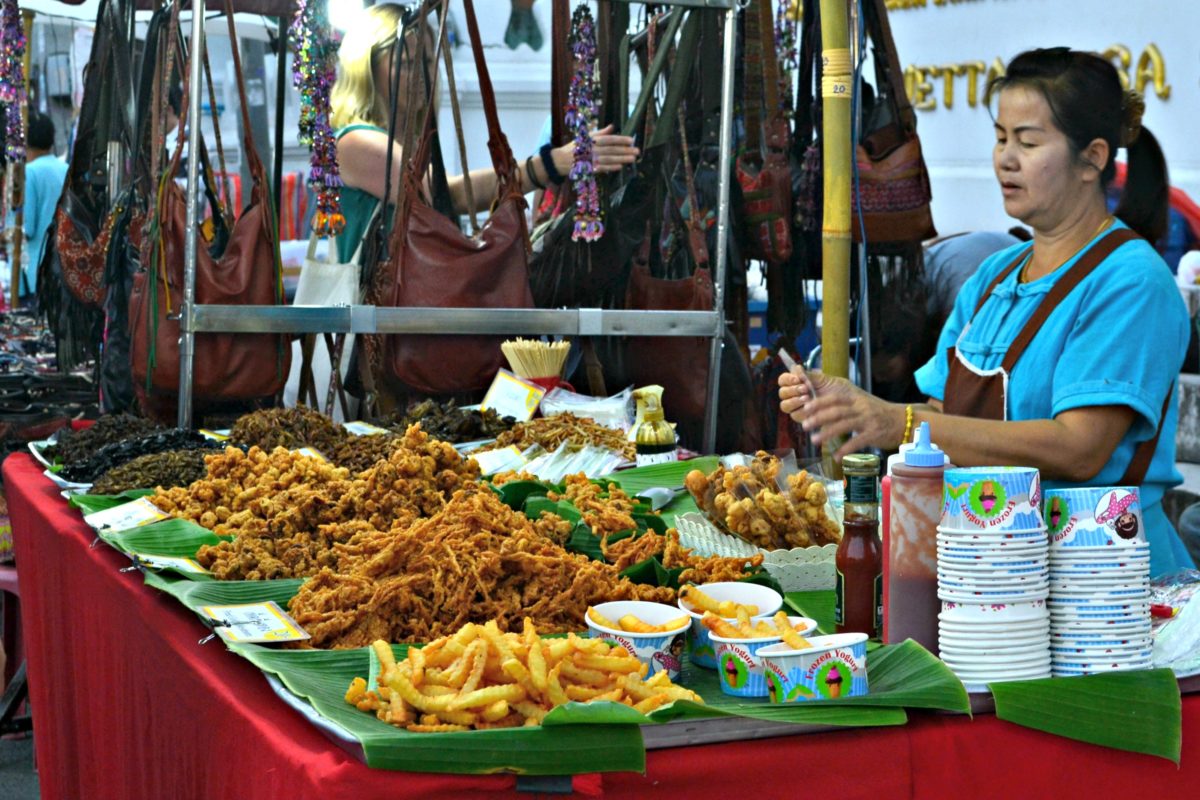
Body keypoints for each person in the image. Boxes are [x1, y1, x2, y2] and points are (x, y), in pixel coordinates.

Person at [779, 47, 1194, 576]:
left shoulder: (1131, 282)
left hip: (1104, 581)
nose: (1006, 158)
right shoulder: (994, 276)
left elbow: (1080, 448)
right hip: (989, 569)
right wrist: (857, 408)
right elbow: (938, 422)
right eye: (1001, 138)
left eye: (1028, 141)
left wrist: (895, 420)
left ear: (1091, 158)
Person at [330, 3, 638, 263]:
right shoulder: (354, 141)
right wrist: (551, 164)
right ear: (366, 70)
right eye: (408, 64)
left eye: (426, 61)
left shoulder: (407, 147)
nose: (422, 75)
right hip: (371, 323)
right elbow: (444, 195)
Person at [9, 111, 67, 303]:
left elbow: (27, 227)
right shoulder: (65, 168)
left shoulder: (30, 172)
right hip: (63, 266)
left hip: (35, 270)